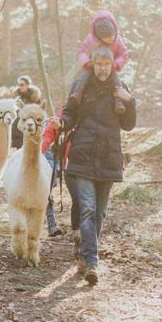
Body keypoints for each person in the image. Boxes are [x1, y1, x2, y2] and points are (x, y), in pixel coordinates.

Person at [59, 45, 137, 285]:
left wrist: (130, 102)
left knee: (100, 212)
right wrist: (61, 123)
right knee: (88, 209)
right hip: (83, 154)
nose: (103, 68)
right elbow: (70, 113)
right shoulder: (82, 86)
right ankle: (92, 262)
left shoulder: (120, 88)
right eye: (99, 64)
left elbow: (129, 125)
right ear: (92, 63)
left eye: (107, 64)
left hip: (109, 158)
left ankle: (84, 255)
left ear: (112, 64)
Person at [75, 10, 130, 114]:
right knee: (84, 77)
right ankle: (78, 93)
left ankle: (119, 102)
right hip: (93, 66)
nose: (111, 39)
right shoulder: (91, 40)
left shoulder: (117, 40)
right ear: (99, 37)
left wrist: (116, 63)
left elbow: (124, 54)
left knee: (116, 81)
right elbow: (81, 52)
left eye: (112, 35)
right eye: (107, 38)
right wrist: (88, 62)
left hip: (110, 67)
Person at [41, 112, 69, 237]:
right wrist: (37, 153)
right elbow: (47, 136)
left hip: (65, 161)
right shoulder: (62, 114)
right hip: (50, 158)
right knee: (47, 191)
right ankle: (52, 225)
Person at [11, 76, 44, 149]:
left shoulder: (34, 96)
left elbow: (39, 110)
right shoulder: (17, 96)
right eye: (19, 85)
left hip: (32, 121)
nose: (20, 87)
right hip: (19, 121)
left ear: (28, 85)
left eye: (22, 85)